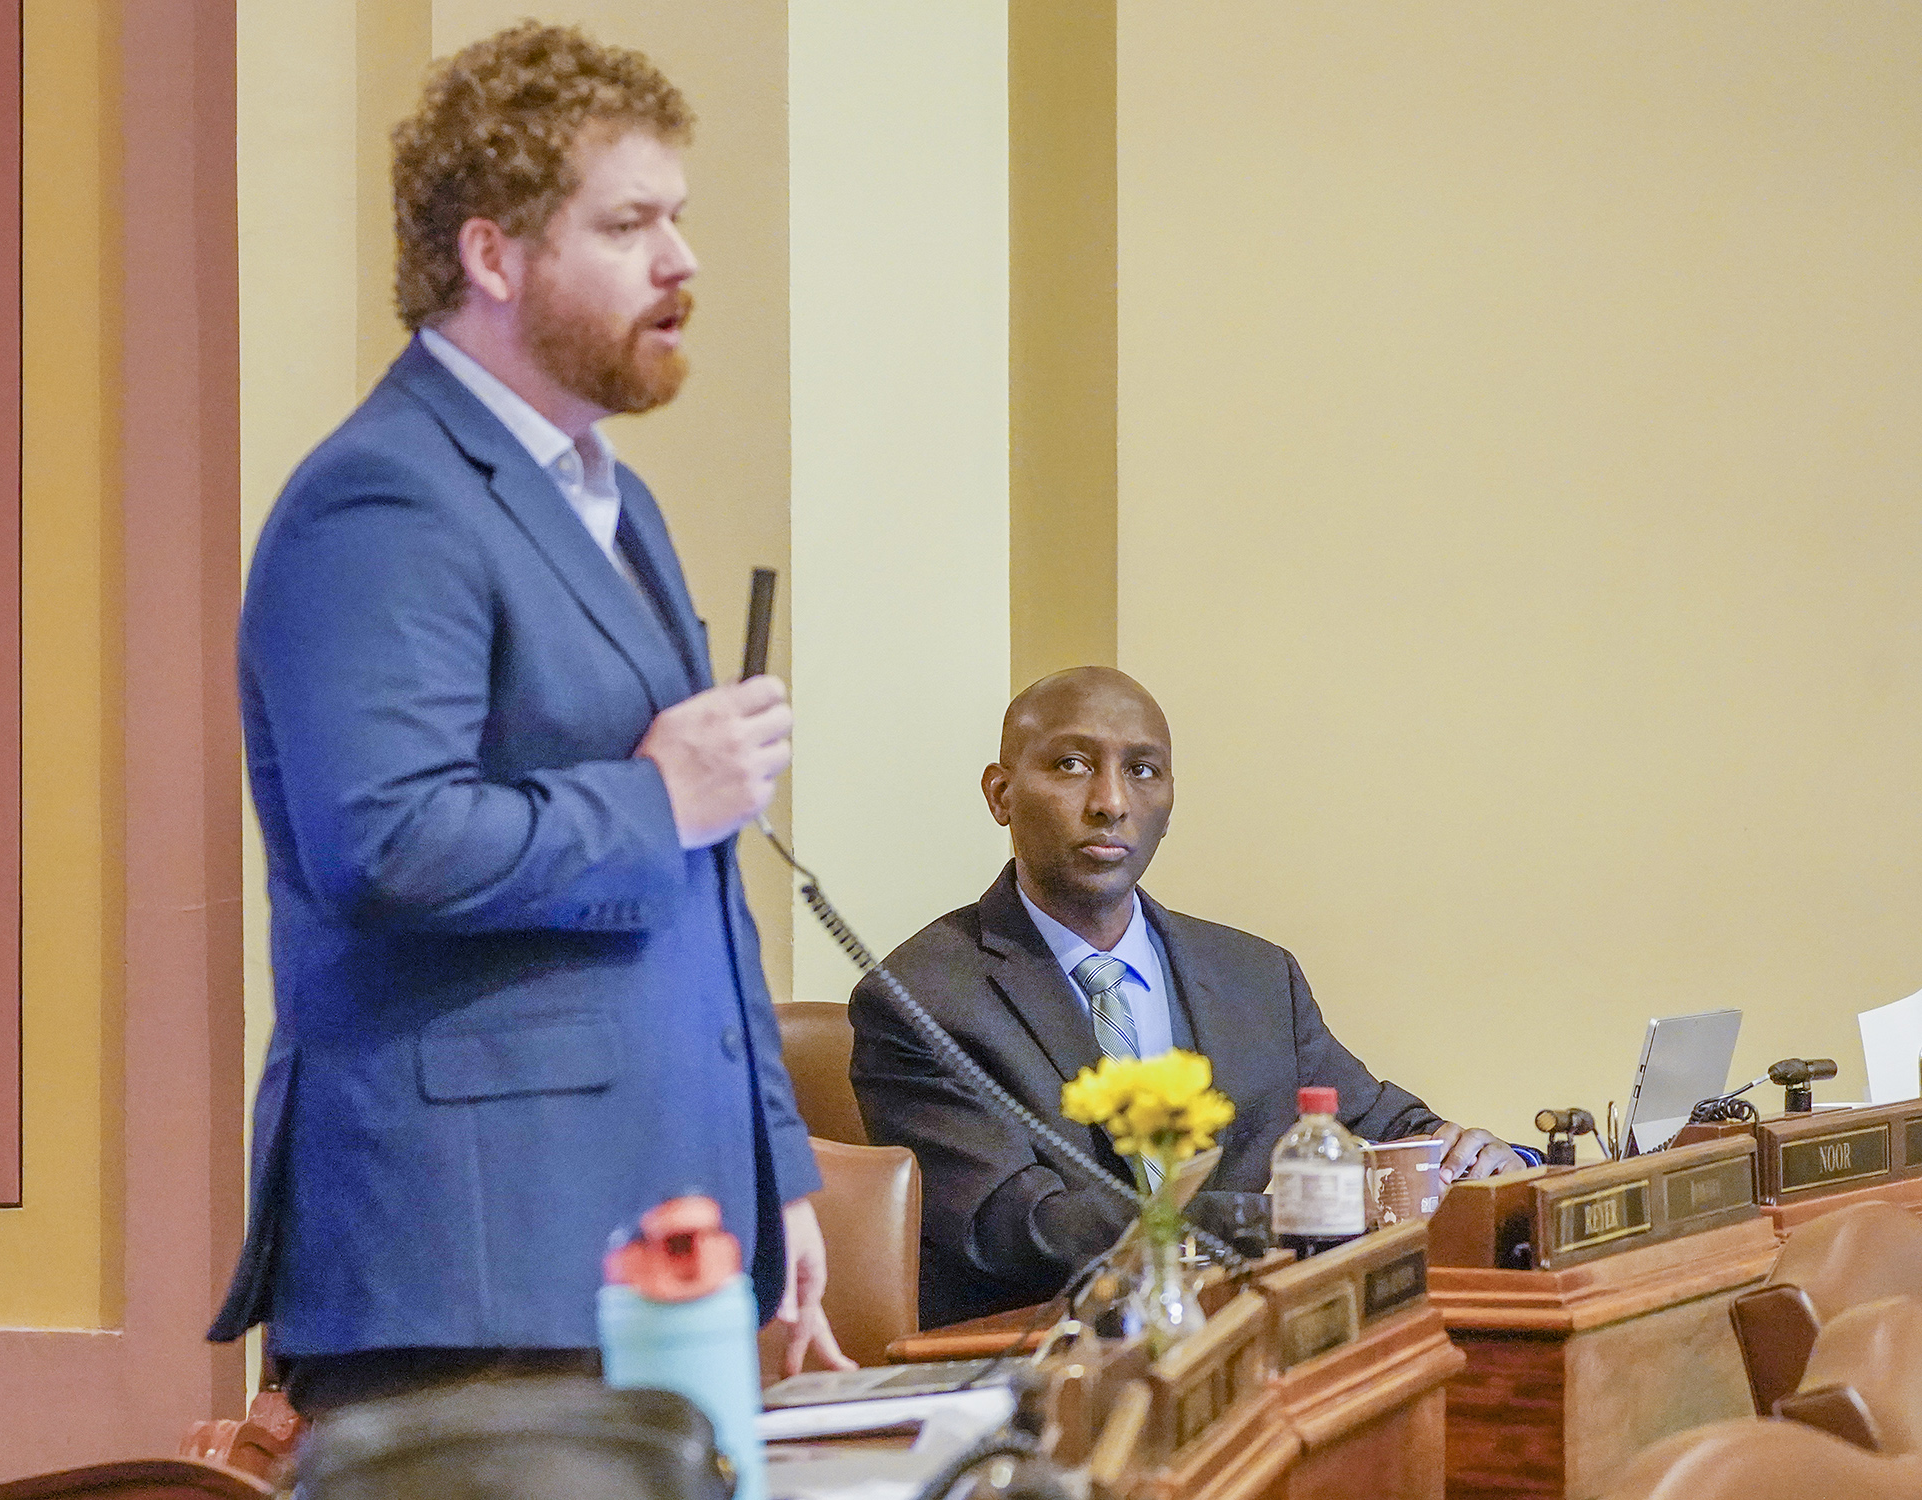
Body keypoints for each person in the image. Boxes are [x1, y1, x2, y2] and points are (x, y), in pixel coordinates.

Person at [209, 22, 846, 1412]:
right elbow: (379, 842)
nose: (682, 262)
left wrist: (773, 1172)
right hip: (471, 1266)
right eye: (629, 225)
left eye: (677, 219)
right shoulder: (382, 497)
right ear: (495, 257)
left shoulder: (614, 499)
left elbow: (704, 875)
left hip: (645, 1242)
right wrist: (652, 799)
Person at [849, 667, 1524, 1327]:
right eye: (1073, 765)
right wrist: (1277, 1218)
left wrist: (1468, 1158)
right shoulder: (922, 998)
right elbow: (1018, 1227)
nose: (1111, 802)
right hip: (1045, 1367)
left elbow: (1374, 1125)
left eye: (1142, 770)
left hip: (1264, 1344)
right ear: (1000, 795)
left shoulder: (1255, 976)